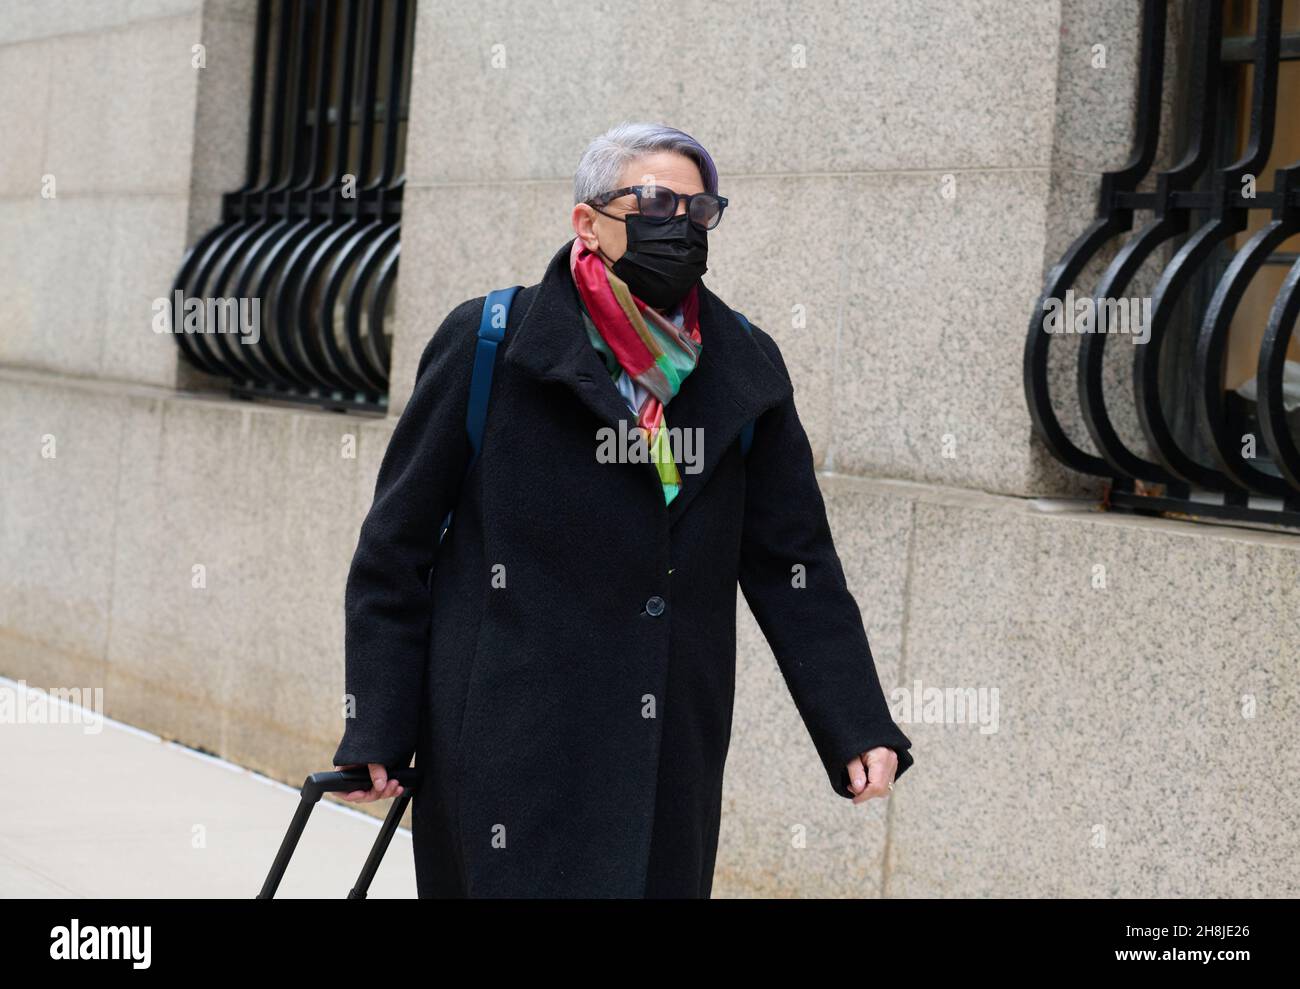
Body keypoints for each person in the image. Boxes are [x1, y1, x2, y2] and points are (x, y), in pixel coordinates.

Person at [333, 121, 914, 897]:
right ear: (588, 222)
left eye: (699, 210)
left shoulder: (745, 362)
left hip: (666, 745)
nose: (679, 226)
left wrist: (856, 720)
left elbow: (793, 561)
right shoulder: (491, 344)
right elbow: (395, 550)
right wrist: (378, 722)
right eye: (654, 203)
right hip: (511, 738)